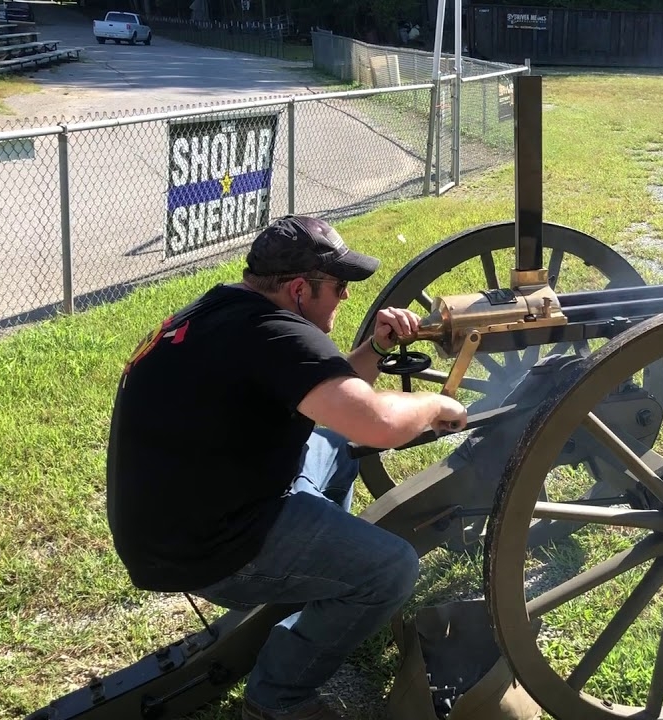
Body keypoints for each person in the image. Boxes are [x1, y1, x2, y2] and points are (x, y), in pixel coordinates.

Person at [105, 215, 467, 720]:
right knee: (392, 568)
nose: (345, 298)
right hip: (207, 548)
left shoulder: (225, 312)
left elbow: (332, 399)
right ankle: (278, 696)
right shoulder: (278, 336)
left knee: (332, 441)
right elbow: (378, 425)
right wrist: (434, 404)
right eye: (338, 286)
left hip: (171, 524)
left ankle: (314, 587)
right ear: (299, 289)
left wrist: (378, 348)